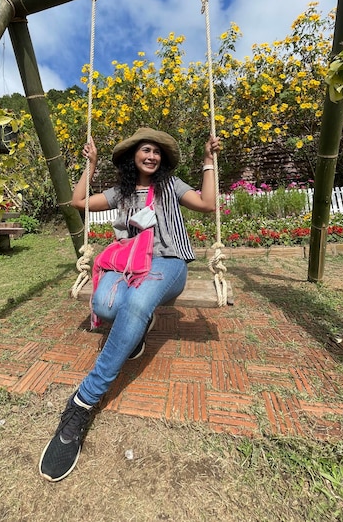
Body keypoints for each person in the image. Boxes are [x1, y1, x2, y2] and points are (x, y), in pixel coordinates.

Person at [39, 127, 220, 482]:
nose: (151, 157)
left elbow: (208, 204)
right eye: (145, 151)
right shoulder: (120, 192)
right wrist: (88, 167)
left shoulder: (171, 186)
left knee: (136, 303)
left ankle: (81, 404)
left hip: (167, 263)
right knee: (106, 308)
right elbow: (78, 203)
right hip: (126, 263)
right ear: (133, 156)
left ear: (162, 158)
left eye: (156, 152)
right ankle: (137, 331)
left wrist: (208, 162)